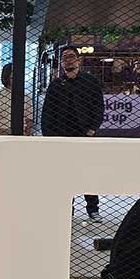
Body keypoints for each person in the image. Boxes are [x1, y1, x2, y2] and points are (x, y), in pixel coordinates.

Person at [41, 45, 106, 223]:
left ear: (78, 59)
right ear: (61, 63)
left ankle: (93, 209)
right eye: (64, 58)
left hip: (85, 135)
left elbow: (99, 107)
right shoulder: (55, 85)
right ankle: (65, 208)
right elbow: (47, 113)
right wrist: (50, 138)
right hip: (61, 137)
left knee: (88, 172)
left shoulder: (90, 82)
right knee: (63, 174)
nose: (68, 60)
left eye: (71, 56)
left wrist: (92, 129)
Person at [0, 63, 34, 137]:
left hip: (20, 131)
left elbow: (29, 119)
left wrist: (27, 134)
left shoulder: (26, 95)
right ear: (7, 76)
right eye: (13, 73)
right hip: (0, 130)